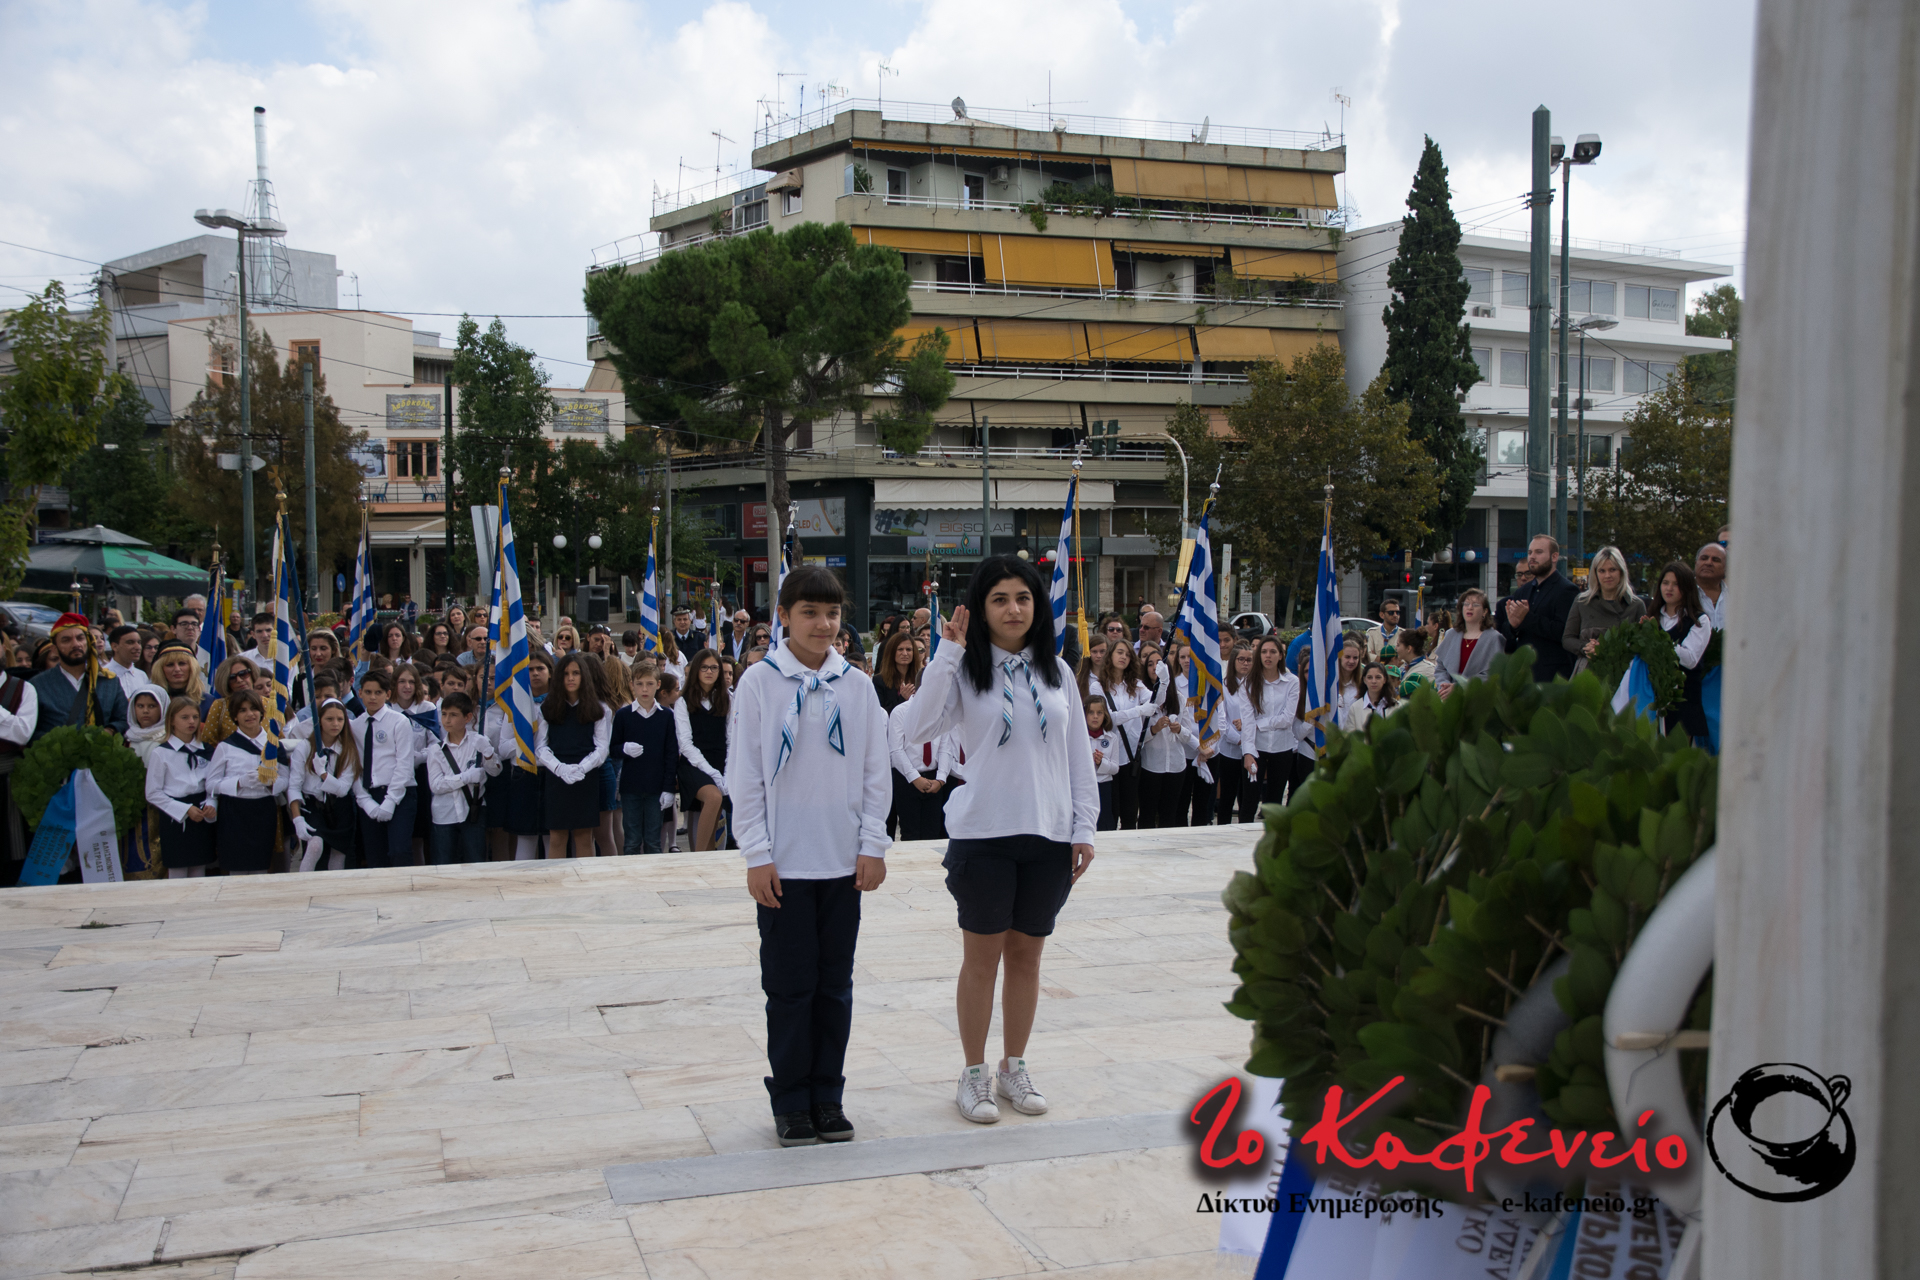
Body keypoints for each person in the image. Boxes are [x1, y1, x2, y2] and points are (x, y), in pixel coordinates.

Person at [900, 556, 1098, 1126]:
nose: (1013, 609)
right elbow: (916, 729)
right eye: (1000, 599)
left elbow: (1077, 758)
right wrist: (947, 653)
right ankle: (972, 1073)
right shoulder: (964, 670)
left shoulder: (1057, 672)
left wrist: (1084, 826)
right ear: (981, 608)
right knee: (982, 959)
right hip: (984, 834)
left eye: (1023, 598)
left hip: (1048, 835)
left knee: (1028, 957)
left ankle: (1014, 1066)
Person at [727, 566, 891, 1147]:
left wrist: (873, 843)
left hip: (842, 863)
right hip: (785, 865)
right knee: (789, 987)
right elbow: (745, 774)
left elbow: (875, 769)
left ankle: (828, 1095)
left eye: (832, 613)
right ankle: (792, 1100)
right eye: (809, 613)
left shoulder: (858, 687)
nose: (823, 625)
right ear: (783, 616)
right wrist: (756, 852)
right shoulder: (759, 683)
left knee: (834, 986)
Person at [204, 688, 287, 874]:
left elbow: (285, 780)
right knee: (236, 870)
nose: (249, 714)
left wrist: (271, 783)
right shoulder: (225, 747)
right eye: (242, 710)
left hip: (263, 810)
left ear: (262, 713)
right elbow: (211, 784)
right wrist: (239, 782)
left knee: (261, 868)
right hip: (234, 812)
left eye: (253, 709)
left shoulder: (273, 744)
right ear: (235, 716)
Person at [538, 652, 609, 860]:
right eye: (566, 674)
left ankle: (585, 879)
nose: (570, 678)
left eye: (576, 673)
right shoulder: (547, 707)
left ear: (583, 676)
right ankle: (557, 878)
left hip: (586, 776)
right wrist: (559, 768)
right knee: (557, 837)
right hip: (556, 777)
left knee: (584, 836)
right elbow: (540, 747)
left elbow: (602, 747)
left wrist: (582, 768)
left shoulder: (598, 708)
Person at [353, 669, 418, 869]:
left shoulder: (399, 721)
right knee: (375, 855)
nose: (373, 697)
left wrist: (390, 800)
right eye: (368, 692)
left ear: (388, 694)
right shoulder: (356, 725)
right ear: (360, 693)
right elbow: (354, 765)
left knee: (399, 850)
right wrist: (364, 800)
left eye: (378, 692)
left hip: (400, 793)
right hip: (370, 794)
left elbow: (404, 764)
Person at [426, 692, 501, 865]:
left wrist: (488, 753)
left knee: (475, 861)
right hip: (444, 814)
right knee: (444, 862)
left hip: (473, 812)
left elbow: (495, 771)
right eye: (444, 714)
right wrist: (466, 777)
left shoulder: (478, 741)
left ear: (467, 717)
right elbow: (436, 785)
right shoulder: (435, 750)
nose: (447, 720)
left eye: (453, 715)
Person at [1643, 561, 1714, 741]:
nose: (1669, 588)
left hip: (1684, 700)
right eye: (1665, 583)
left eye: (1676, 584)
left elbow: (1690, 659)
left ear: (1687, 588)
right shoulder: (1652, 616)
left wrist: (1657, 637)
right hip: (1651, 698)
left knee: (1676, 755)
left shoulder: (1699, 620)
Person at [145, 699, 216, 879]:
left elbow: (212, 784)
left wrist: (211, 803)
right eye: (184, 717)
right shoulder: (161, 753)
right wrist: (184, 810)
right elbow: (152, 792)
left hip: (201, 812)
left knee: (199, 867)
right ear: (171, 720)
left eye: (195, 717)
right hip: (175, 817)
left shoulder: (206, 750)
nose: (191, 721)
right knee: (178, 868)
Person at [31, 613, 129, 742]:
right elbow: (31, 730)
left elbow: (124, 719)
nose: (76, 644)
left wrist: (110, 731)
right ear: (54, 649)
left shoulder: (109, 681)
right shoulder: (38, 685)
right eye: (66, 640)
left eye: (80, 638)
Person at [286, 698, 359, 872]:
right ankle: (303, 883)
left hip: (340, 808)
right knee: (315, 845)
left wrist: (323, 773)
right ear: (319, 721)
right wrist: (297, 819)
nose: (335, 724)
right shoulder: (304, 747)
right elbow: (294, 786)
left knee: (338, 854)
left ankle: (334, 886)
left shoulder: (347, 749)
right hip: (314, 805)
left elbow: (342, 789)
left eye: (340, 719)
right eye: (329, 719)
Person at [612, 663, 678, 854]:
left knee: (653, 841)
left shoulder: (667, 716)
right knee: (632, 840)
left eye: (649, 684)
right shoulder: (623, 715)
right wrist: (624, 748)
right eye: (639, 684)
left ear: (658, 685)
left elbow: (671, 754)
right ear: (632, 685)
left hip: (656, 787)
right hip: (631, 787)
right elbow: (612, 749)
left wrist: (669, 789)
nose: (644, 689)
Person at [1497, 535, 1580, 682]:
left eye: (1539, 552)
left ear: (1554, 557)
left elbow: (1564, 632)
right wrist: (1513, 626)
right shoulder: (1522, 591)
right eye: (1530, 552)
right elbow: (1508, 633)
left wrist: (1527, 618)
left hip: (1554, 676)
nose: (1532, 557)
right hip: (1524, 674)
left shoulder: (1567, 590)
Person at [495, 650, 553, 861]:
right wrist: (525, 739)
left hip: (552, 774)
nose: (535, 673)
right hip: (523, 775)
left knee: (552, 836)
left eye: (540, 668)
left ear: (550, 672)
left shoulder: (558, 703)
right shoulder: (516, 705)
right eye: (530, 669)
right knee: (525, 837)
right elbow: (503, 748)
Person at [1093, 640, 1152, 829]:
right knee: (1110, 812)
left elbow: (1155, 702)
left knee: (1130, 812)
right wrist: (1139, 710)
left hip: (1131, 757)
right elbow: (1109, 718)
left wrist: (1164, 681)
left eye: (1127, 654)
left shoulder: (1136, 685)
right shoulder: (1098, 686)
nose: (1123, 657)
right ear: (1110, 654)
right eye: (1119, 652)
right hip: (1108, 757)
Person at [676, 649, 731, 851]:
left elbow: (731, 739)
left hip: (720, 761)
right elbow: (685, 743)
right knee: (713, 797)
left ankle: (708, 857)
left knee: (714, 818)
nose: (709, 672)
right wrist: (712, 772)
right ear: (696, 671)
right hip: (694, 764)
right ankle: (698, 858)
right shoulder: (683, 701)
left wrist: (727, 771)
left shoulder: (728, 698)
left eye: (714, 668)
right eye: (704, 667)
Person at [1138, 645, 1196, 829]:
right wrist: (1154, 729)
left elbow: (1188, 735)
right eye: (1150, 664)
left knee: (1169, 815)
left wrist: (1178, 729)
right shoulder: (1142, 698)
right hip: (1151, 766)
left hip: (1176, 766)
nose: (1155, 667)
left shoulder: (1178, 698)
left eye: (1159, 663)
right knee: (1147, 814)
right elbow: (1137, 738)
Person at [1563, 545, 1646, 671]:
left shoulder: (1636, 605)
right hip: (1589, 671)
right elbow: (1567, 638)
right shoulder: (1582, 602)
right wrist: (1585, 647)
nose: (1607, 575)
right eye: (1602, 571)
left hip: (1624, 672)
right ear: (1595, 574)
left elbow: (1642, 644)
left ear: (1621, 571)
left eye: (1612, 570)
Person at [1433, 589, 1505, 696]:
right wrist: (1444, 686)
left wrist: (1460, 687)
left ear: (1485, 611)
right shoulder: (1451, 634)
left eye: (1475, 605)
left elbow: (1493, 674)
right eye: (1466, 604)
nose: (1470, 607)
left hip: (1478, 698)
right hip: (1449, 698)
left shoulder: (1494, 638)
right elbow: (1440, 668)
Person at [1215, 644, 1258, 824]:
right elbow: (1222, 720)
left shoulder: (1257, 686)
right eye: (1241, 659)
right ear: (1233, 661)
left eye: (1249, 660)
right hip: (1230, 749)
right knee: (1227, 796)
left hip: (1252, 749)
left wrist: (1248, 736)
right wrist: (1241, 739)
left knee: (1247, 797)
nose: (1245, 663)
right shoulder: (1224, 686)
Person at [1085, 694, 1119, 831]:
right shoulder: (1078, 737)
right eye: (1091, 712)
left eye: (1099, 713)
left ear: (1105, 715)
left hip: (1104, 786)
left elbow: (1115, 768)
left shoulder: (1112, 738)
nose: (1095, 716)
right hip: (1085, 786)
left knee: (1104, 824)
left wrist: (1101, 762)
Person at [874, 631, 922, 715]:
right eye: (900, 649)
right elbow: (880, 714)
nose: (905, 653)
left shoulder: (921, 678)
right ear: (892, 652)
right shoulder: (879, 681)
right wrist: (902, 699)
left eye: (908, 649)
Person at [1346, 663, 1399, 734]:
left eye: (1378, 677)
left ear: (1384, 679)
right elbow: (1351, 736)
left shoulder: (1396, 706)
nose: (1374, 681)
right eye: (1369, 677)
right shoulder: (1355, 708)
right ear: (1364, 680)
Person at [104, 625, 150, 694]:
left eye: (139, 642)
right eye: (130, 642)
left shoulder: (141, 675)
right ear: (114, 646)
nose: (137, 647)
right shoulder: (104, 675)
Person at [1694, 541, 1729, 631]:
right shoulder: (1682, 593)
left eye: (1715, 560)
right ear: (1696, 563)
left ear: (1726, 568)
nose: (1708, 563)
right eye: (1704, 558)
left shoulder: (1735, 599)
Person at [1364, 596, 1403, 662]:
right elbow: (1367, 655)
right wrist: (1393, 661)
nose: (1395, 615)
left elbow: (1405, 659)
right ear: (1382, 615)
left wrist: (1377, 658)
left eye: (1397, 612)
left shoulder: (1403, 634)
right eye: (1391, 612)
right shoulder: (1371, 633)